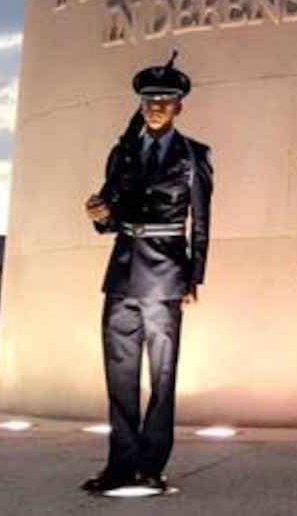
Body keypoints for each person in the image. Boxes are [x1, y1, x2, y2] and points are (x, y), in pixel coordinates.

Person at [81, 56, 214, 496]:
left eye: (165, 101)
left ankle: (151, 465)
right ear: (141, 105)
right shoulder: (122, 152)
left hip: (165, 273)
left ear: (179, 107)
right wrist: (100, 215)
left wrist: (194, 277)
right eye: (149, 100)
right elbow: (110, 214)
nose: (156, 107)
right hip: (121, 271)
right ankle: (120, 464)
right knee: (119, 375)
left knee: (162, 374)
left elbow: (201, 221)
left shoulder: (194, 155)